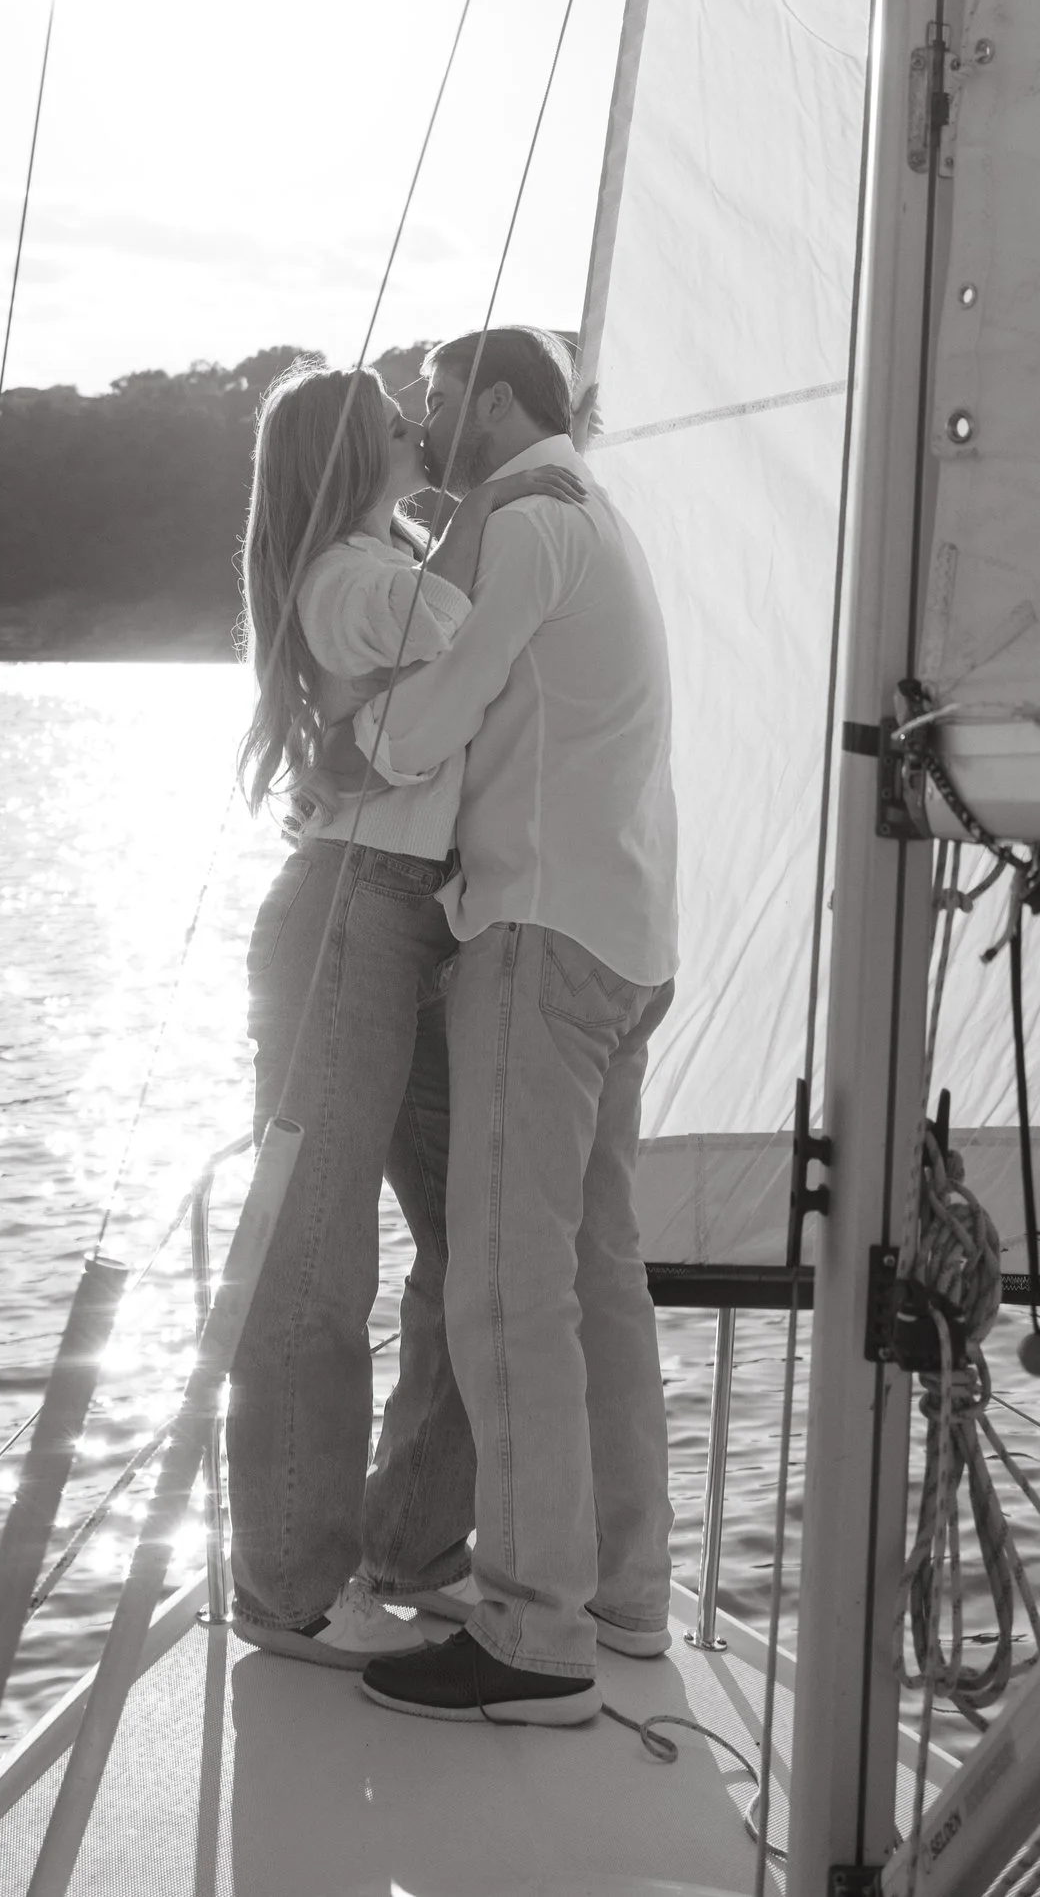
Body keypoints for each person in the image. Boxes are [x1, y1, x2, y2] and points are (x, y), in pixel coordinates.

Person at [339, 325, 681, 1731]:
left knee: (502, 1278)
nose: (427, 433)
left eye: (436, 407)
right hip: (626, 938)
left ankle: (536, 1633)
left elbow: (432, 720)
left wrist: (342, 736)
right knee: (597, 1276)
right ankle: (623, 1596)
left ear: (494, 403)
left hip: (537, 938)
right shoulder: (603, 519)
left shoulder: (524, 519)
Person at [224, 358, 585, 1668]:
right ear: (353, 452)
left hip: (412, 924)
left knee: (463, 1253)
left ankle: (408, 1539)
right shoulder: (351, 580)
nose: (419, 426)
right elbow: (463, 633)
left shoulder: (373, 563)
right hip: (348, 922)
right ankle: (286, 1586)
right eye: (396, 420)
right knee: (318, 1265)